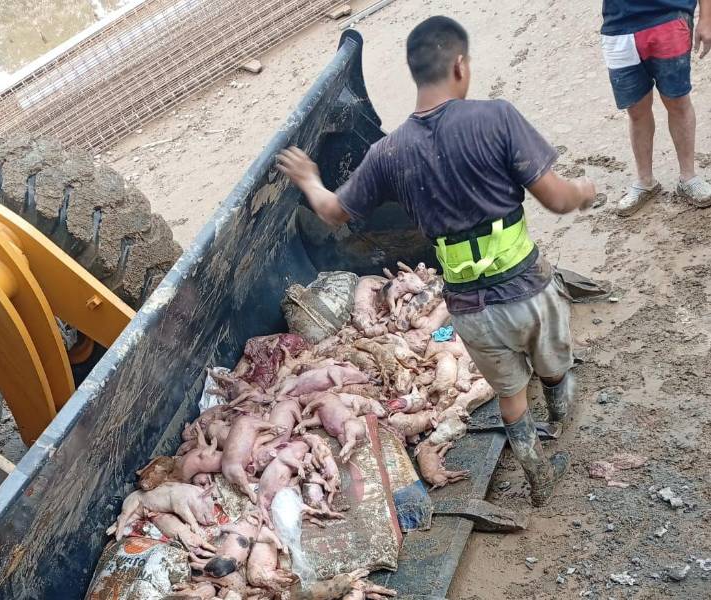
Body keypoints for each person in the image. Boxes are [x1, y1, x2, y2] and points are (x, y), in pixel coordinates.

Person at [277, 16, 596, 507]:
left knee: (510, 395)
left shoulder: (388, 153)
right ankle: (559, 415)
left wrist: (309, 179)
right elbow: (556, 198)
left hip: (471, 310)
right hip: (528, 289)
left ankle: (538, 476)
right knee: (553, 366)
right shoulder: (496, 117)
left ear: (416, 73)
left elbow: (334, 211)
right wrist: (582, 191)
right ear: (460, 66)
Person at [601, 0, 711, 215]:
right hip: (618, 26)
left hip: (669, 17)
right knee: (636, 110)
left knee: (678, 102)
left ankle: (688, 178)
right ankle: (645, 182)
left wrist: (706, 18)